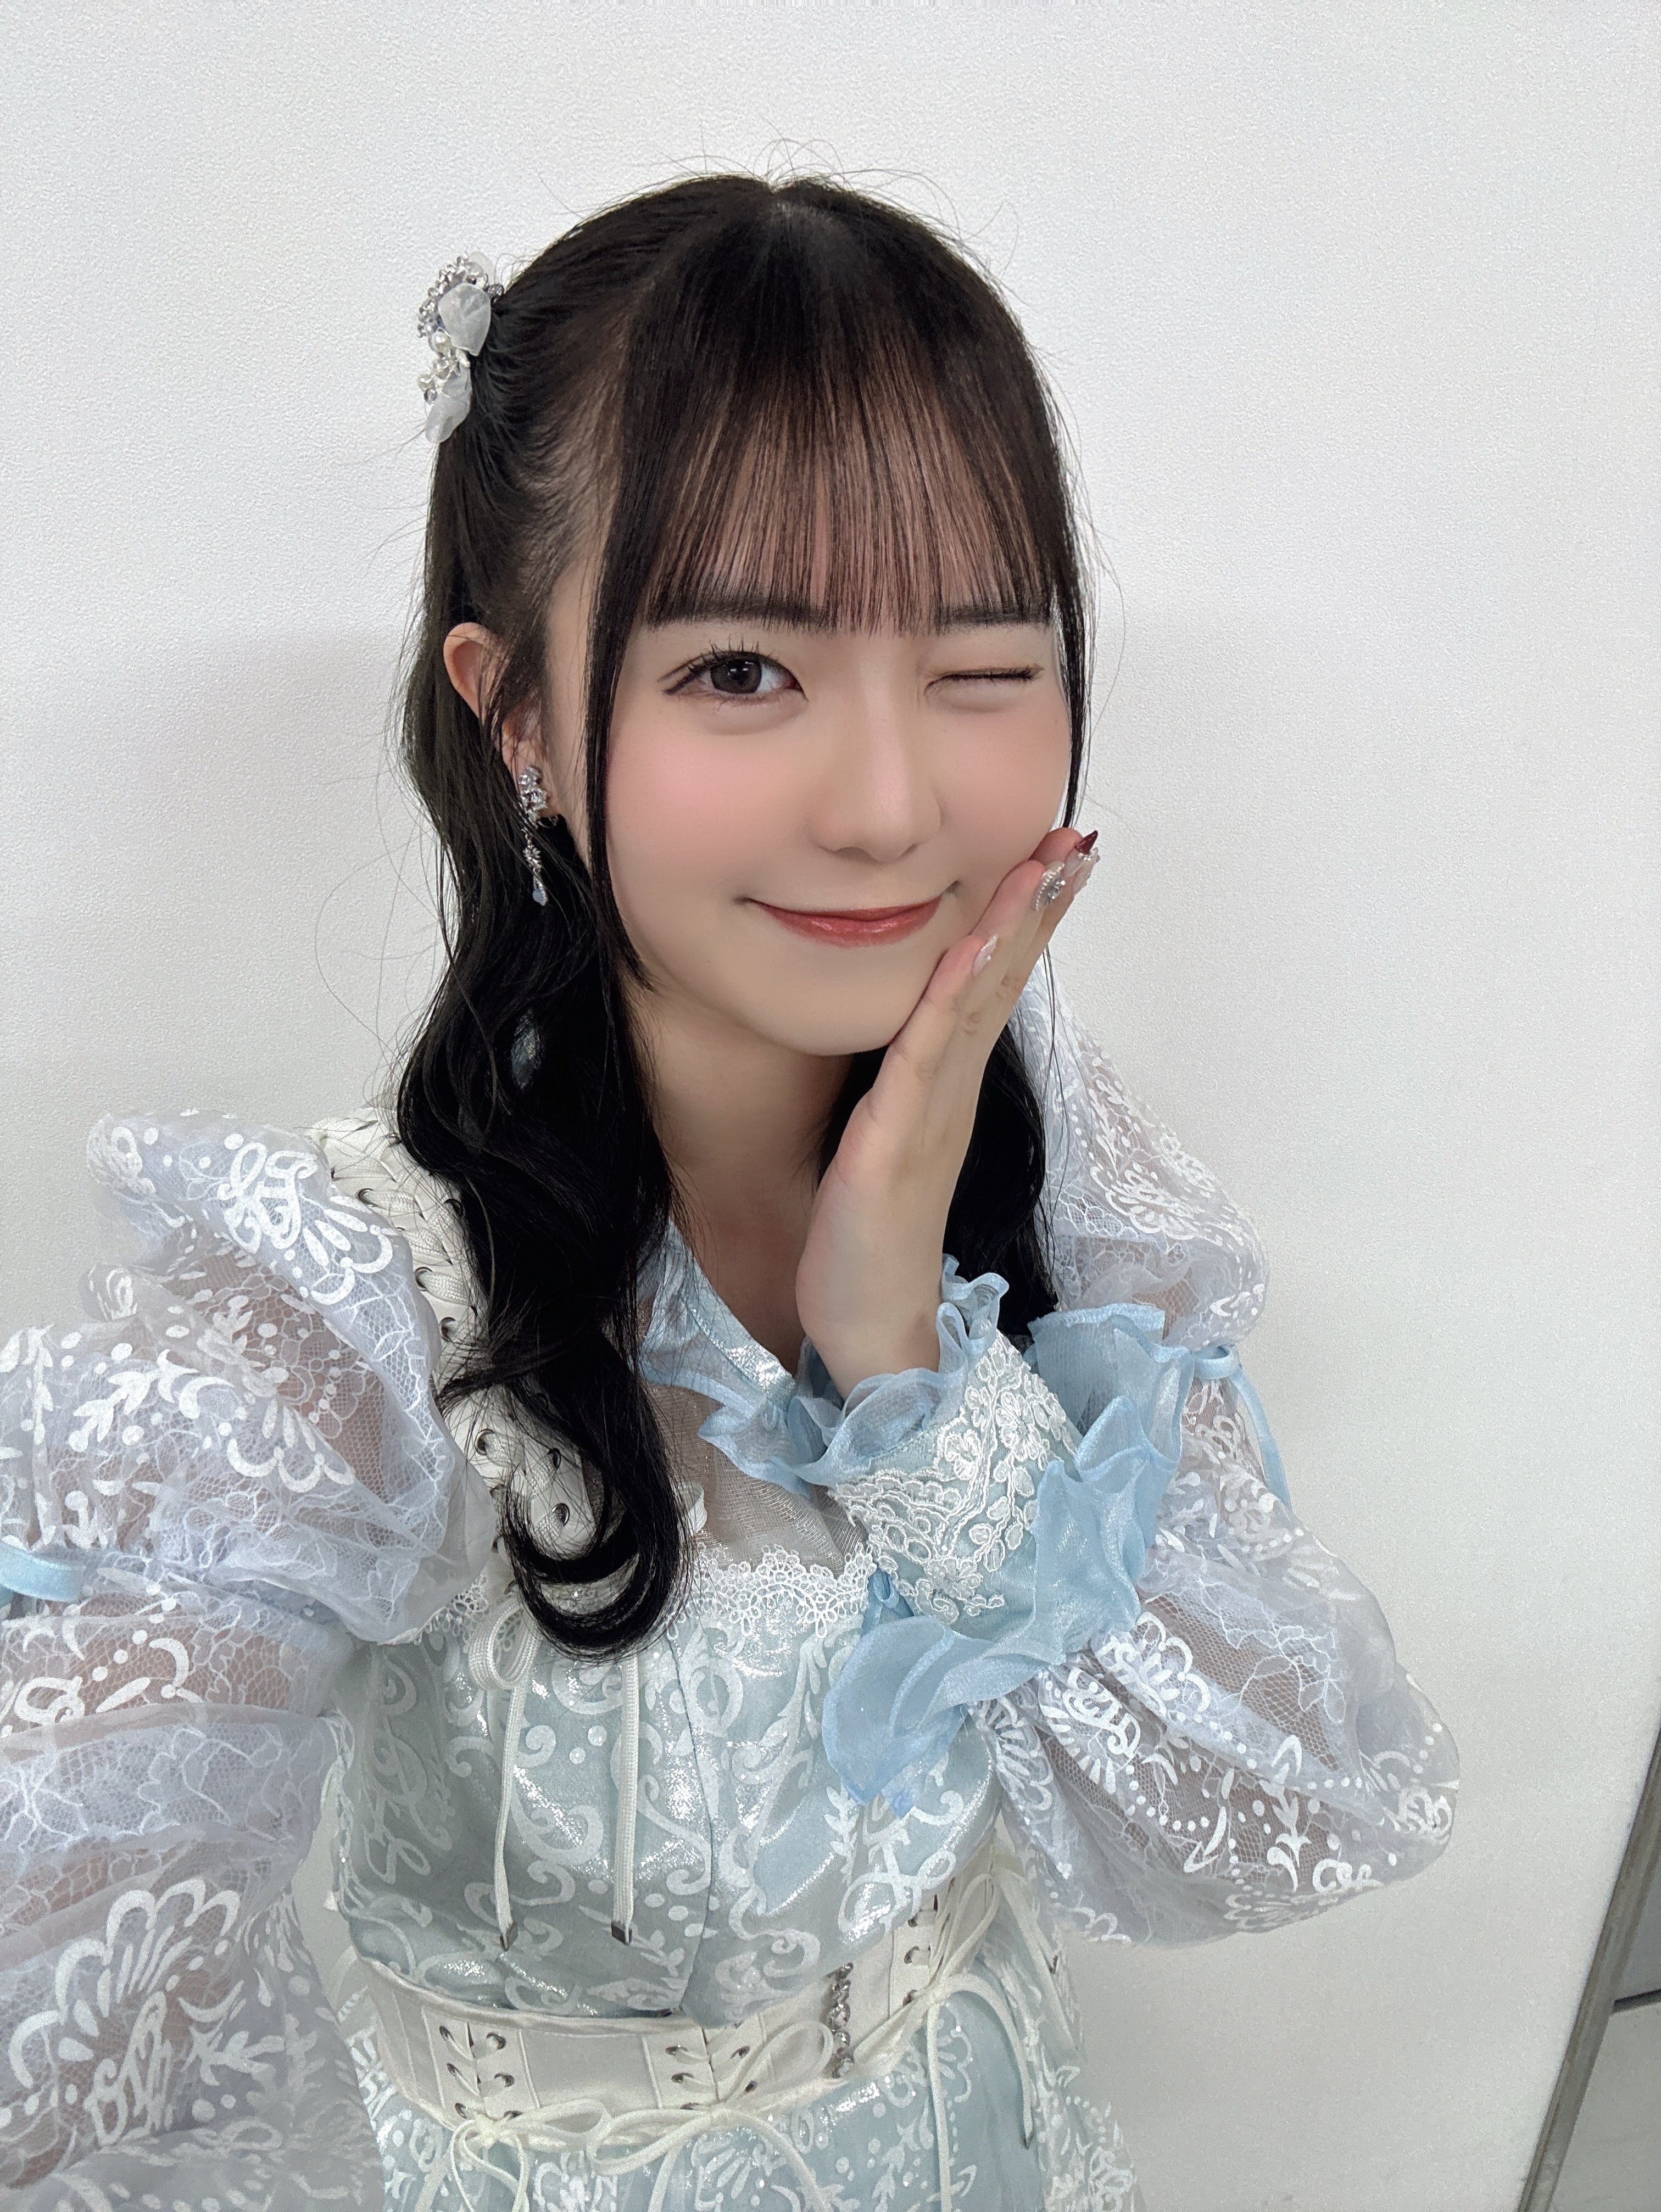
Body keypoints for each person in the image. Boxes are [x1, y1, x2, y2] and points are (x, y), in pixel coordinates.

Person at [0, 173, 1458, 2212]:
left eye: (983, 661)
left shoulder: (1053, 1153)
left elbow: (1271, 1808)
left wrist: (909, 1371)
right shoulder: (346, 1302)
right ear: (519, 713)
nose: (890, 803)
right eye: (745, 670)